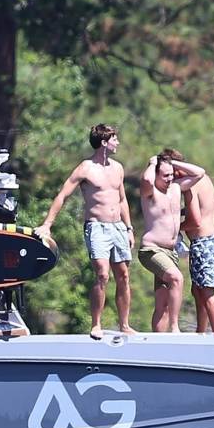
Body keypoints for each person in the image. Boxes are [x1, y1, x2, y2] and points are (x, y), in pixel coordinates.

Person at [35, 123, 137, 338]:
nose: (118, 142)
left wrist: (129, 228)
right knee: (102, 274)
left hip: (118, 226)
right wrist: (47, 224)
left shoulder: (117, 168)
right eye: (114, 139)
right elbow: (63, 195)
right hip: (97, 227)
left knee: (124, 276)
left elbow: (122, 200)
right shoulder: (85, 168)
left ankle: (125, 325)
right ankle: (96, 324)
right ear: (104, 142)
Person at [138, 152, 206, 332]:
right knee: (177, 278)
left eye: (171, 174)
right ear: (156, 175)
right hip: (152, 250)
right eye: (164, 175)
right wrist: (153, 163)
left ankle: (159, 341)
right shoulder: (150, 193)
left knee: (163, 302)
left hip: (170, 252)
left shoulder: (176, 188)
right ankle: (175, 327)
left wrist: (171, 162)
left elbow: (199, 173)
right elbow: (146, 180)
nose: (169, 179)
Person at [165, 148, 214, 333]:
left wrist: (173, 227)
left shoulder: (190, 185)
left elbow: (195, 221)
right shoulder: (201, 181)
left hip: (205, 241)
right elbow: (197, 211)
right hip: (205, 242)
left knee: (206, 292)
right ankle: (201, 331)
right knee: (197, 290)